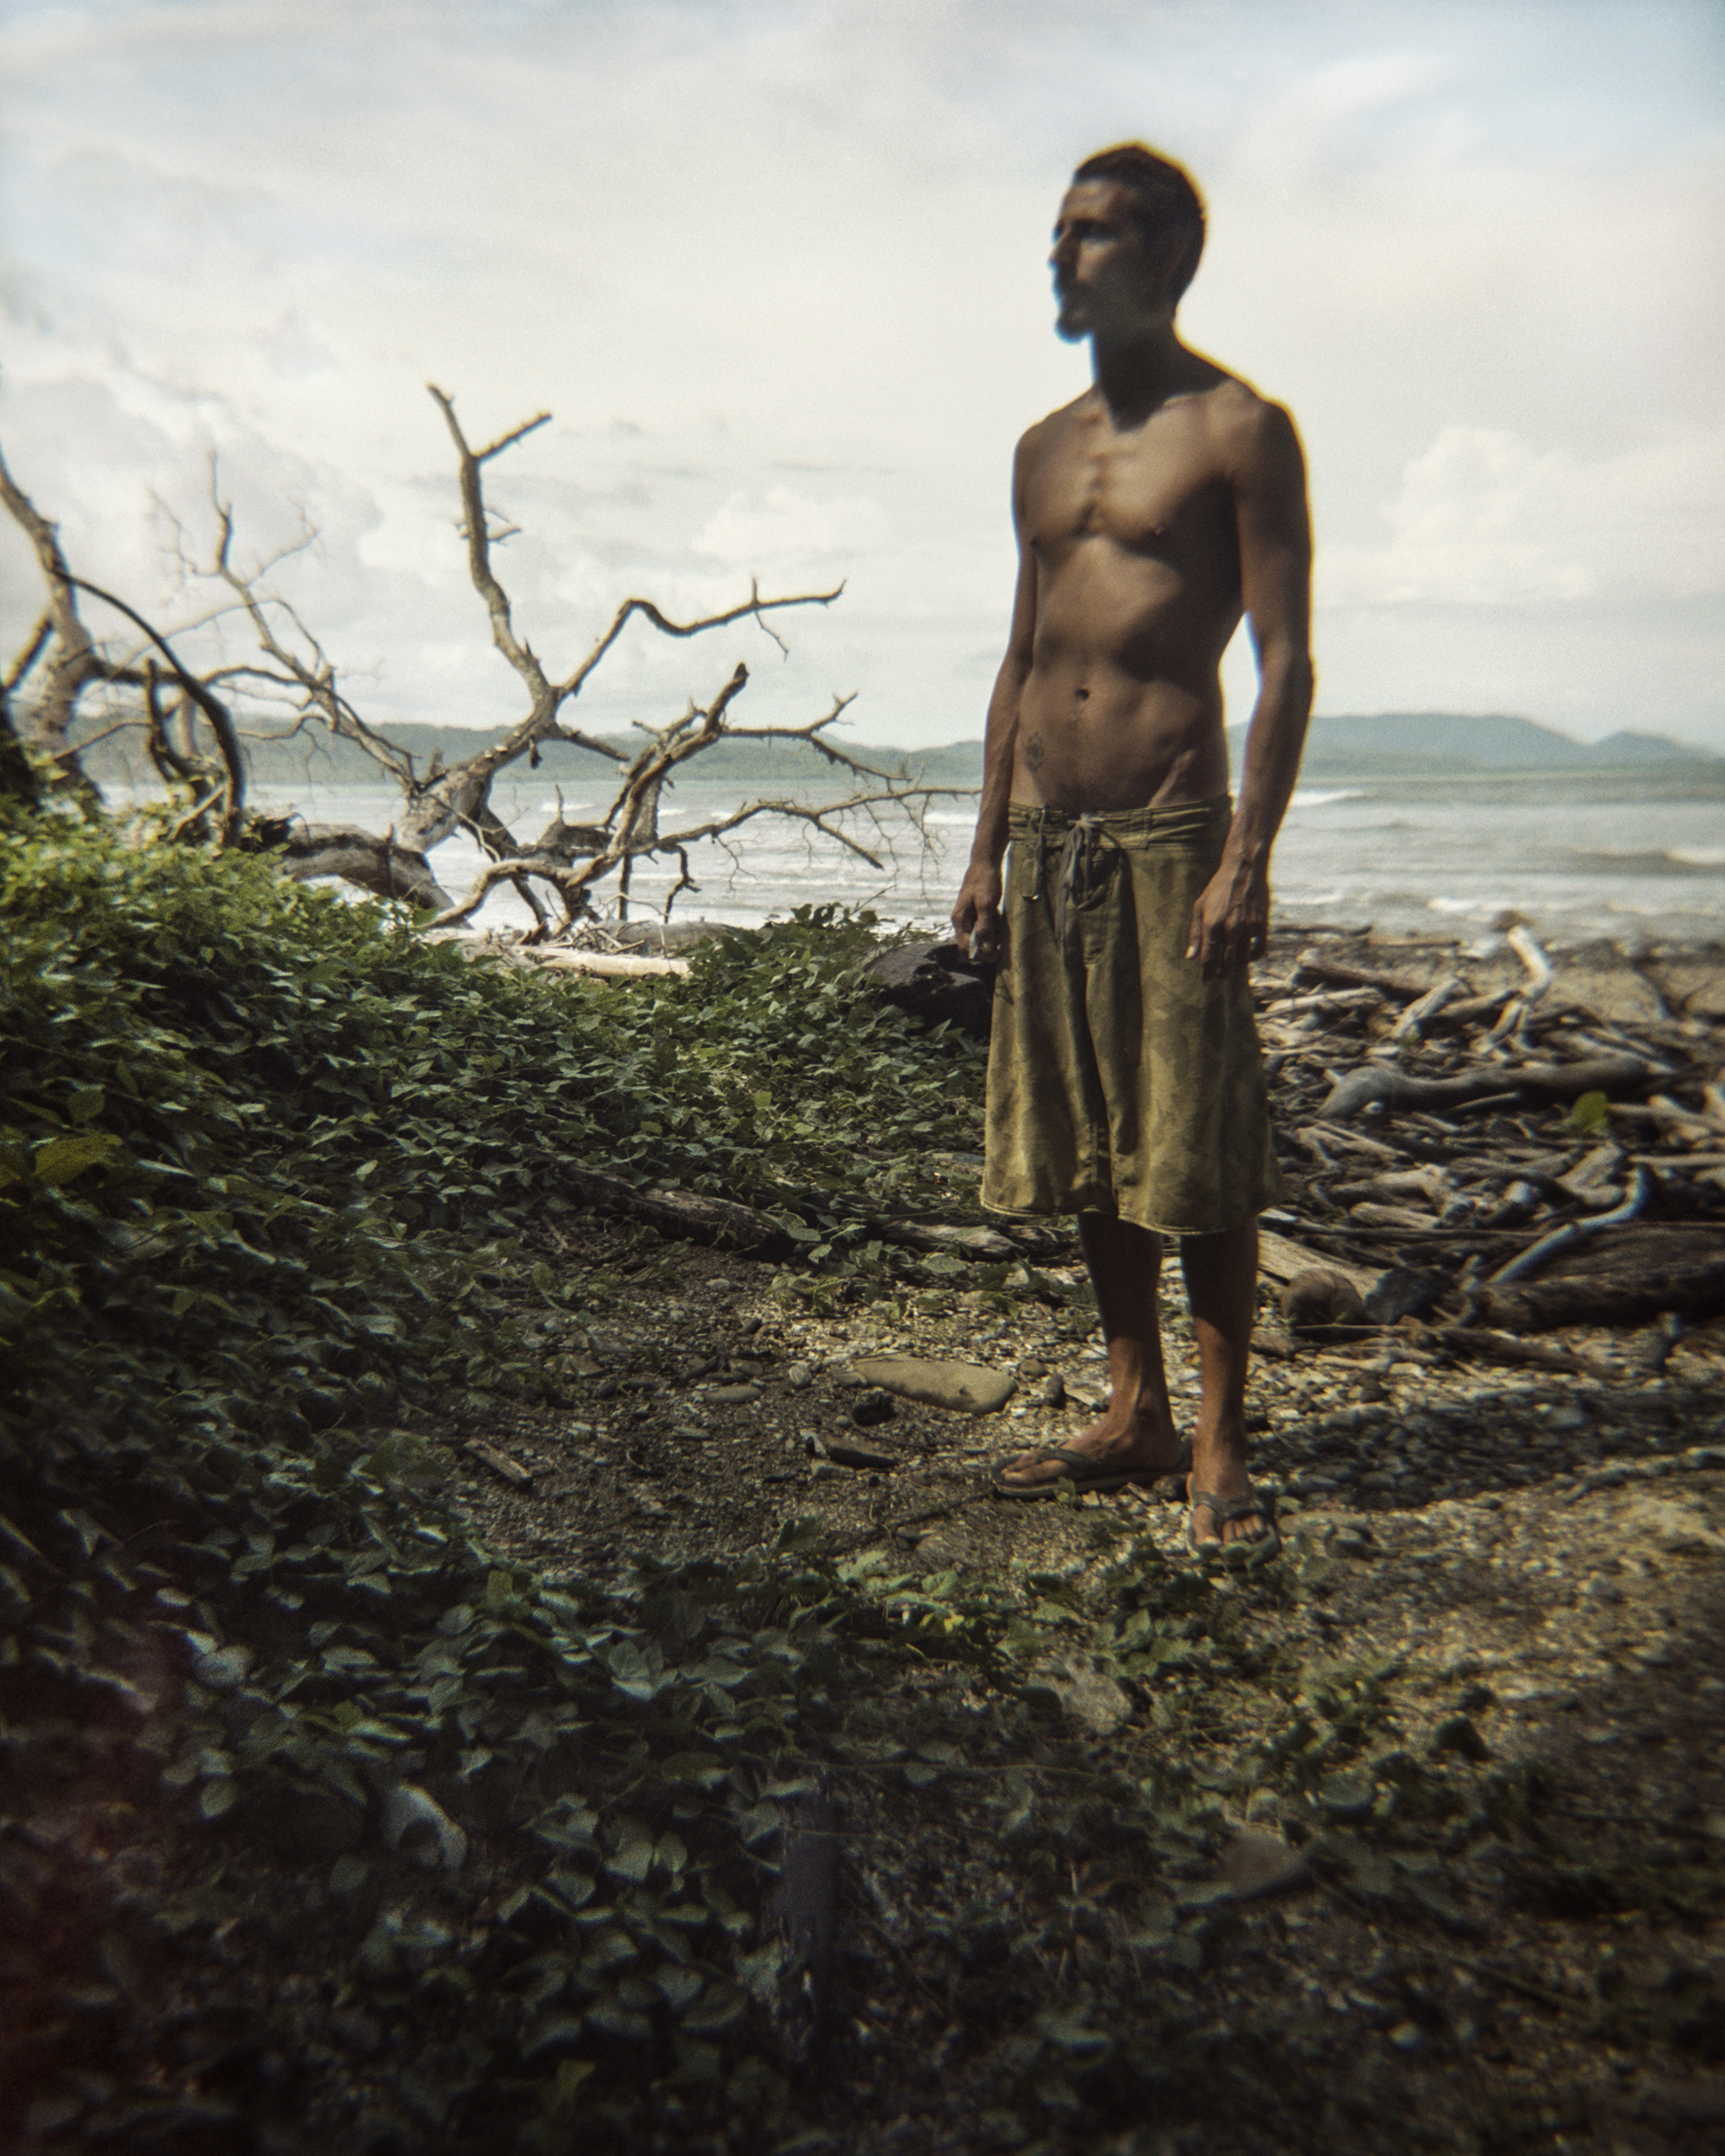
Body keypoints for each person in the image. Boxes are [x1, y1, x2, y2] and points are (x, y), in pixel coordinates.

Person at [950, 142, 1313, 1557]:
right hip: (1051, 837)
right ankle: (1135, 1409)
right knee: (1090, 1133)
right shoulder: (1041, 448)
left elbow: (1284, 662)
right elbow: (1023, 654)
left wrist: (1247, 856)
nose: (1062, 255)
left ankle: (1220, 1439)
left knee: (1193, 1136)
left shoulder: (1240, 429)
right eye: (1059, 231)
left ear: (1167, 254)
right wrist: (985, 847)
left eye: (1092, 232)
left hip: (1172, 831)